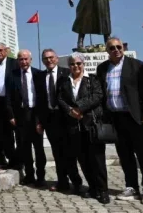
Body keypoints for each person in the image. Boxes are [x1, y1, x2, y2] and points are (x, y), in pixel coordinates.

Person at [96, 37, 143, 205]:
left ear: (123, 48)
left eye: (119, 47)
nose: (116, 50)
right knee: (124, 155)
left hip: (135, 117)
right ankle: (131, 186)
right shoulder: (102, 68)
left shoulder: (137, 65)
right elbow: (101, 93)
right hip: (116, 118)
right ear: (107, 51)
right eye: (112, 48)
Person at [57, 53, 108, 203]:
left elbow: (97, 96)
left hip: (91, 125)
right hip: (74, 127)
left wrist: (79, 108)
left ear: (83, 64)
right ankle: (92, 188)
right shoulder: (65, 82)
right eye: (72, 64)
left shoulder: (92, 79)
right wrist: (69, 110)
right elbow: (60, 98)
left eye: (78, 63)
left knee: (97, 160)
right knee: (83, 160)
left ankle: (103, 190)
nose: (76, 66)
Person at [39, 49, 81, 192]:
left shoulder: (66, 72)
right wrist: (39, 121)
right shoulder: (40, 76)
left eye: (51, 57)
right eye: (45, 58)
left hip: (67, 119)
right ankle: (62, 182)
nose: (49, 60)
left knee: (70, 152)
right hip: (50, 121)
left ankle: (76, 182)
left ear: (56, 59)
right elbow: (39, 101)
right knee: (57, 153)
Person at [12, 49, 47, 186]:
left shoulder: (38, 74)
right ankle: (29, 175)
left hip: (35, 114)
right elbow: (9, 98)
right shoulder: (13, 75)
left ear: (30, 60)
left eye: (26, 59)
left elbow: (43, 98)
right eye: (21, 59)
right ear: (18, 61)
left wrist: (40, 120)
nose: (24, 62)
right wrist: (12, 116)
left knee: (39, 148)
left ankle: (41, 176)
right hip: (21, 115)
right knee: (24, 148)